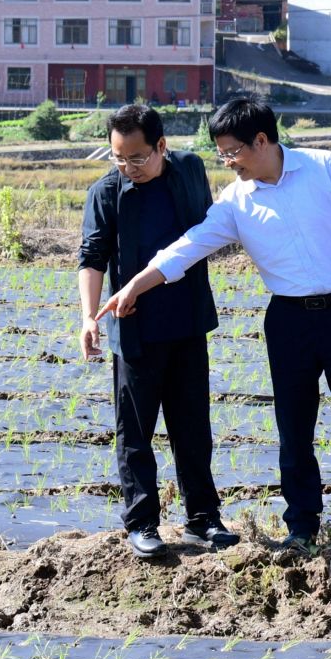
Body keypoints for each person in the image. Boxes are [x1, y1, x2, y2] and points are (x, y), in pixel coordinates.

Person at [97, 95, 331, 550]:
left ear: (261, 140)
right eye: (221, 154)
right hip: (289, 319)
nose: (228, 162)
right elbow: (188, 247)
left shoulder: (324, 167)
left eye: (232, 152)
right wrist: (135, 285)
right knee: (294, 428)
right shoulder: (236, 202)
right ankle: (302, 525)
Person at [78, 104, 237, 560]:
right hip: (134, 328)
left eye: (137, 157)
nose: (128, 167)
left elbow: (207, 231)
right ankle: (142, 522)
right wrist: (89, 317)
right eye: (118, 158)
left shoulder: (189, 170)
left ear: (161, 146)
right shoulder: (106, 193)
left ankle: (202, 517)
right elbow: (92, 257)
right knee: (135, 431)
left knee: (193, 426)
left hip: (187, 320)